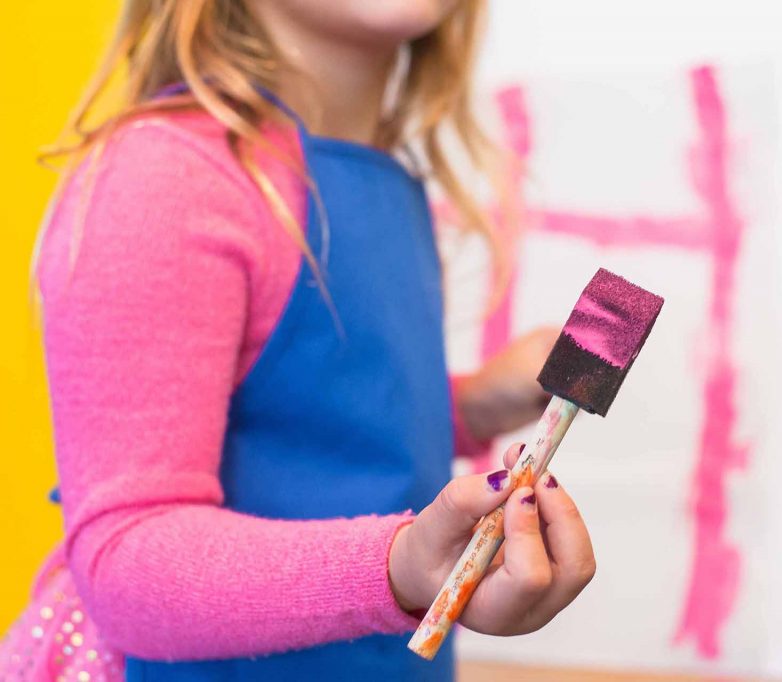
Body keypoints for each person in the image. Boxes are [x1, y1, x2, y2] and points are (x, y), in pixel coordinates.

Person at [0, 1, 596, 680]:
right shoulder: (168, 177)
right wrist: (399, 565)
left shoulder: (392, 189)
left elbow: (313, 423)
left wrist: (473, 407)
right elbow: (126, 556)